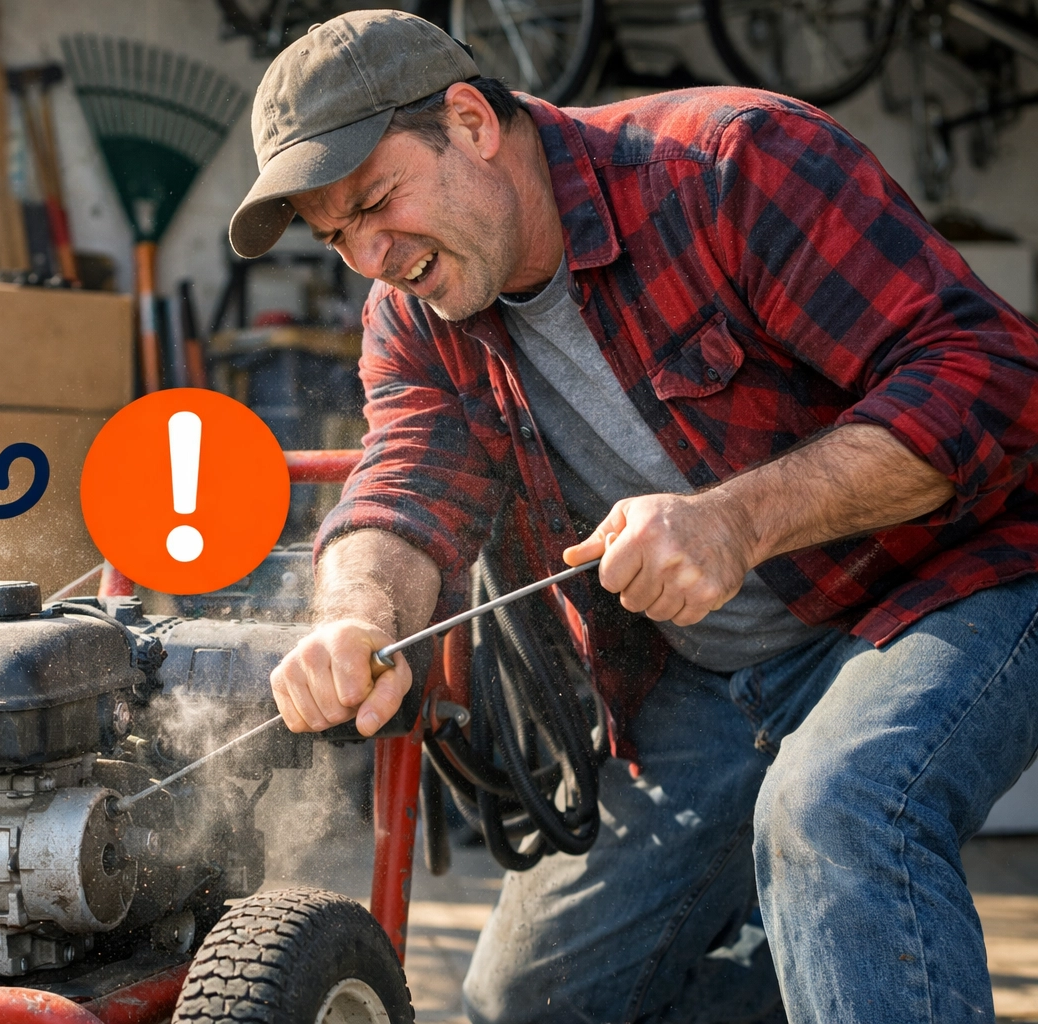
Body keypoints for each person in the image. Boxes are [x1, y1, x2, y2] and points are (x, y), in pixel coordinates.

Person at [231, 10, 1038, 1024]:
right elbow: (402, 484)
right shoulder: (416, 314)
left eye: (377, 201)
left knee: (835, 809)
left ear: (473, 122)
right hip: (706, 681)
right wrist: (353, 617)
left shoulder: (728, 164)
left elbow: (993, 379)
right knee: (524, 1003)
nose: (372, 256)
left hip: (945, 594)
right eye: (336, 235)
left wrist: (734, 523)